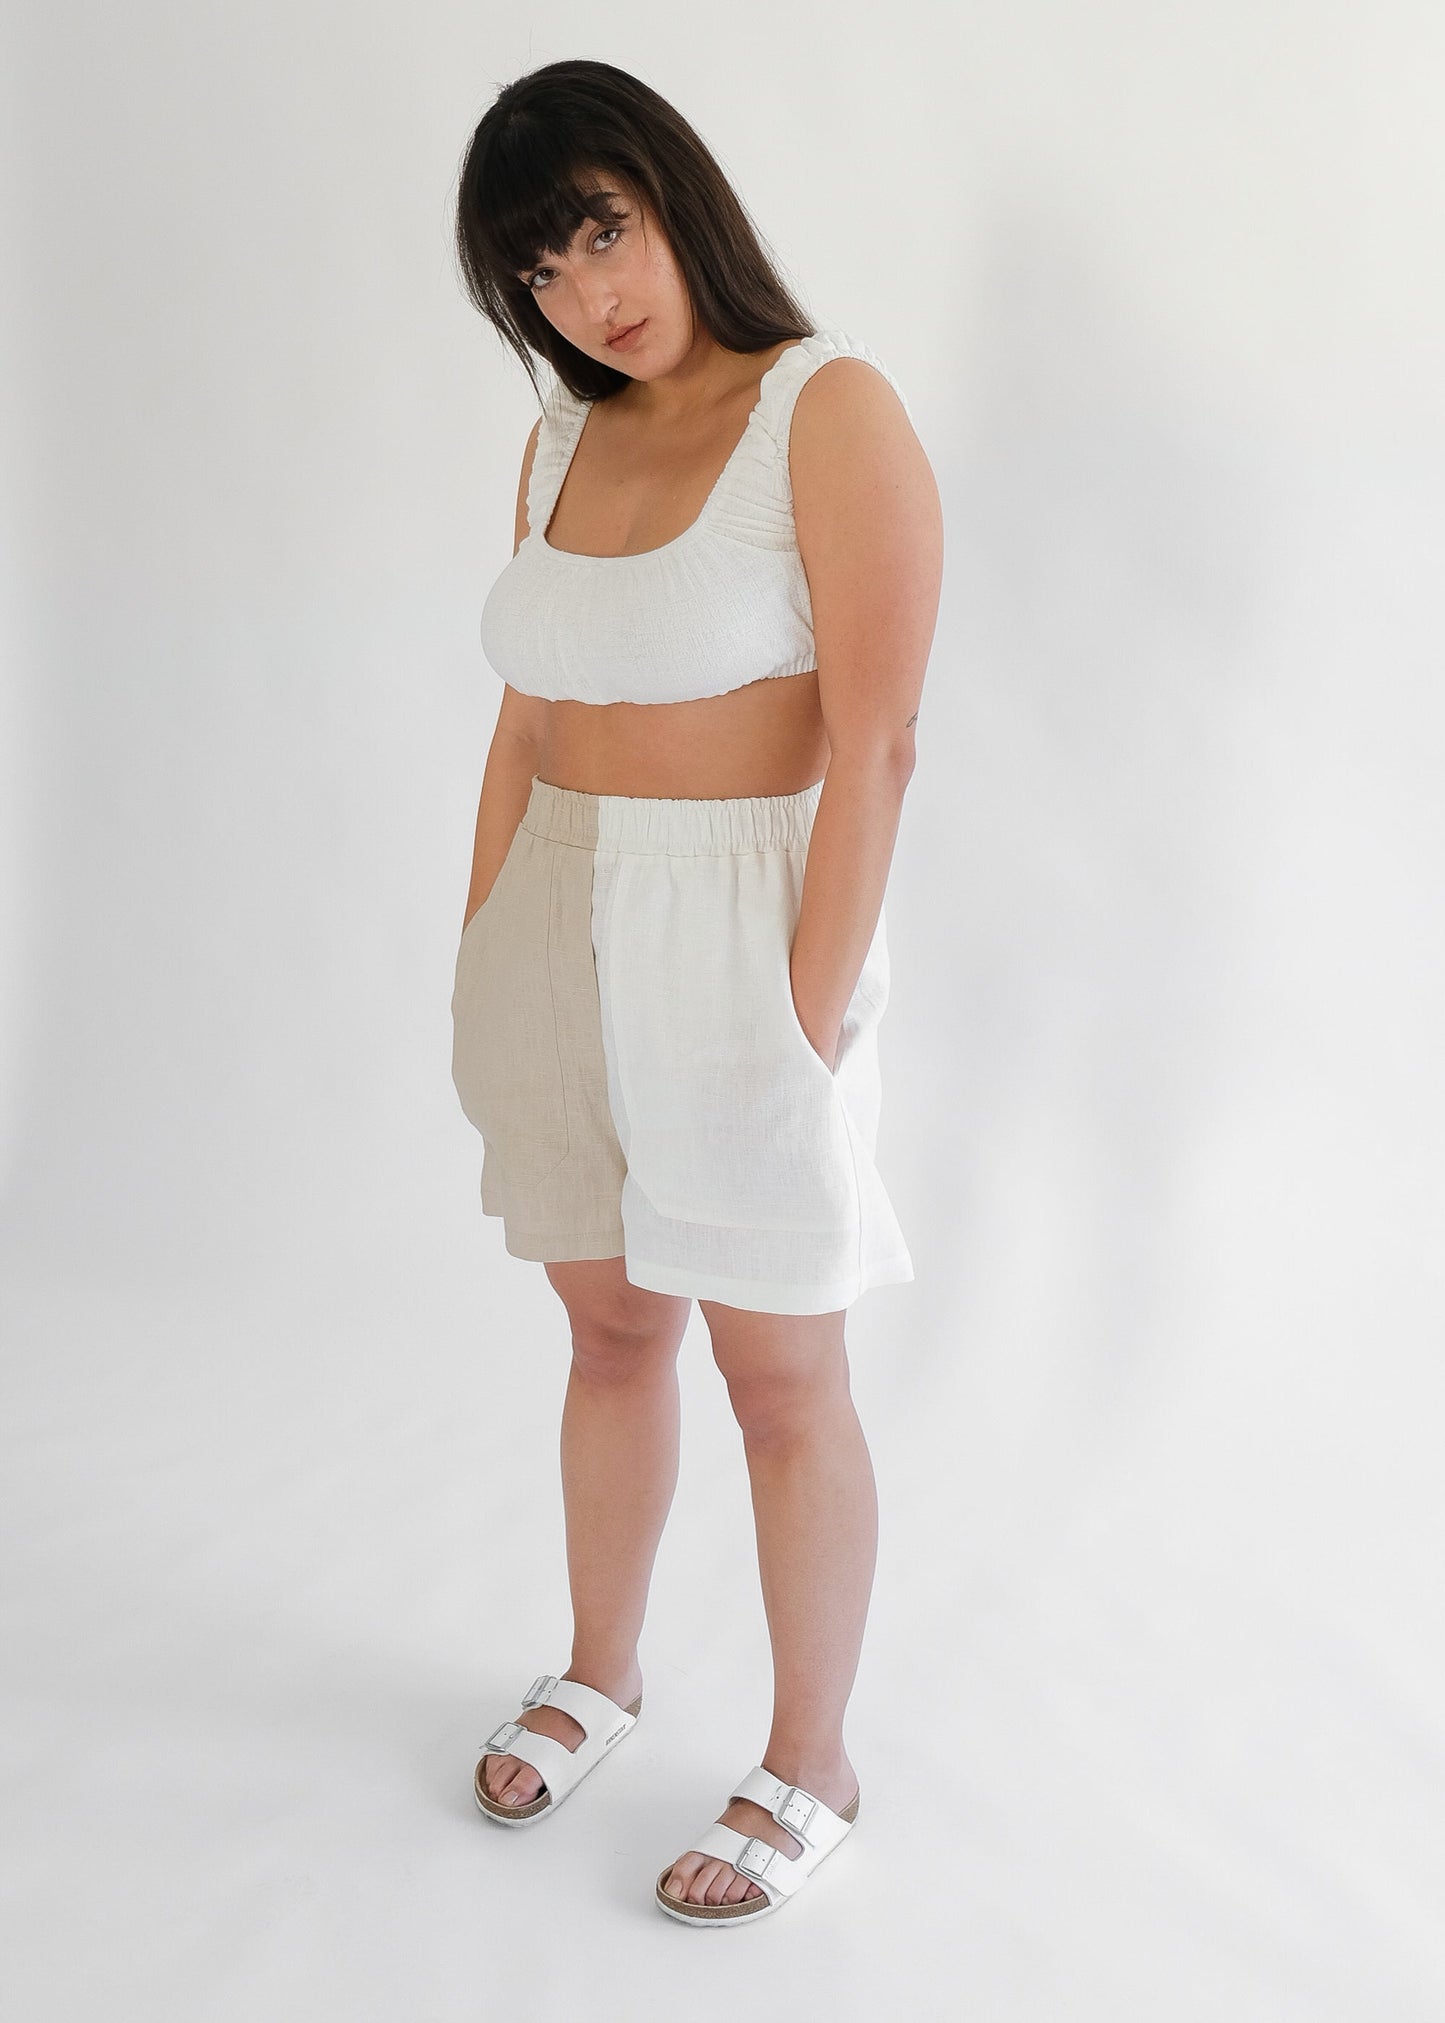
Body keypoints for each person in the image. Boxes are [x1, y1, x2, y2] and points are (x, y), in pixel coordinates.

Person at [449, 58, 942, 1926]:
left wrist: (800, 1021)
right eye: (541, 273)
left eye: (600, 227)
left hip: (740, 928)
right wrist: (482, 924)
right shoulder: (559, 440)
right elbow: (524, 711)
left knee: (782, 1373)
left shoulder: (824, 408)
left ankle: (809, 1758)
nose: (588, 291)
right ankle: (602, 1667)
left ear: (673, 197)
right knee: (606, 1333)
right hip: (552, 917)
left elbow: (879, 742)